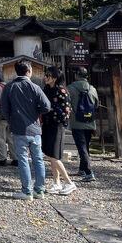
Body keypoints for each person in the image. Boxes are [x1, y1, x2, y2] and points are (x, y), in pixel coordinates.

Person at [0, 59, 51, 201]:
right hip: (34, 128)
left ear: (17, 71)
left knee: (23, 160)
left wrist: (11, 119)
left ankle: (27, 191)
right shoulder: (35, 87)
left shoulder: (9, 87)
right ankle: (39, 190)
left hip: (18, 129)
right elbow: (47, 106)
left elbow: (3, 109)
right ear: (29, 72)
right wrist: (36, 112)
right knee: (38, 159)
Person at [42, 66, 77, 195]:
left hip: (57, 125)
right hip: (47, 124)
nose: (46, 77)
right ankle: (57, 182)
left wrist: (52, 112)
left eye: (48, 76)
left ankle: (69, 182)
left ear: (55, 78)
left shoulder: (62, 91)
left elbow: (67, 111)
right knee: (50, 154)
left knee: (54, 155)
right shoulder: (46, 89)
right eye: (45, 75)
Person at [68, 66, 99, 182]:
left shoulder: (70, 88)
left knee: (82, 148)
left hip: (77, 123)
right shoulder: (92, 89)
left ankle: (89, 172)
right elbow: (96, 105)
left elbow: (67, 103)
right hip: (90, 122)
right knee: (85, 147)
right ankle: (82, 169)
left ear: (76, 75)